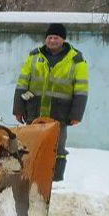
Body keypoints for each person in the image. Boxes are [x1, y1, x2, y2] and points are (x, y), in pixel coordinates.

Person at [13, 23, 88, 181]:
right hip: (34, 110)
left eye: (56, 37)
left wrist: (76, 115)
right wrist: (18, 109)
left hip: (60, 112)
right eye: (49, 37)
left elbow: (81, 90)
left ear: (63, 39)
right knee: (30, 144)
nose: (52, 40)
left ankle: (55, 179)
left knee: (58, 147)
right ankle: (28, 175)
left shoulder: (76, 60)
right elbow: (22, 84)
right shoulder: (34, 56)